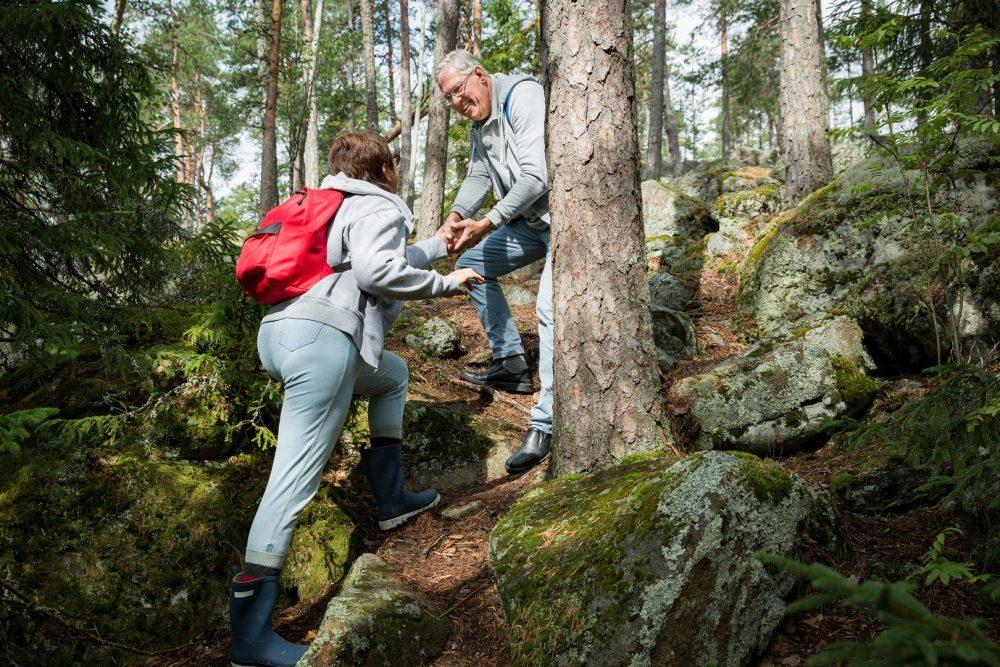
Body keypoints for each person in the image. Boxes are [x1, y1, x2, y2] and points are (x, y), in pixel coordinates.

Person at [229, 131, 483, 667]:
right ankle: (249, 638)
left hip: (281, 336)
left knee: (390, 374)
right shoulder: (379, 206)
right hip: (321, 344)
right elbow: (376, 270)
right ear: (385, 170)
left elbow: (368, 261)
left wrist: (437, 246)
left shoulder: (330, 204)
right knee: (291, 481)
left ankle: (391, 500)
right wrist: (447, 283)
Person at [435, 49, 553, 475]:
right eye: (448, 98)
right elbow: (479, 175)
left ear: (479, 75)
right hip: (526, 224)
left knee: (547, 309)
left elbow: (536, 176)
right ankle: (511, 364)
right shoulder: (478, 123)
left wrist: (487, 221)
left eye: (458, 91)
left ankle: (545, 423)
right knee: (472, 266)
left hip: (562, 224)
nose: (456, 103)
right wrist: (454, 216)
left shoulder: (521, 96)